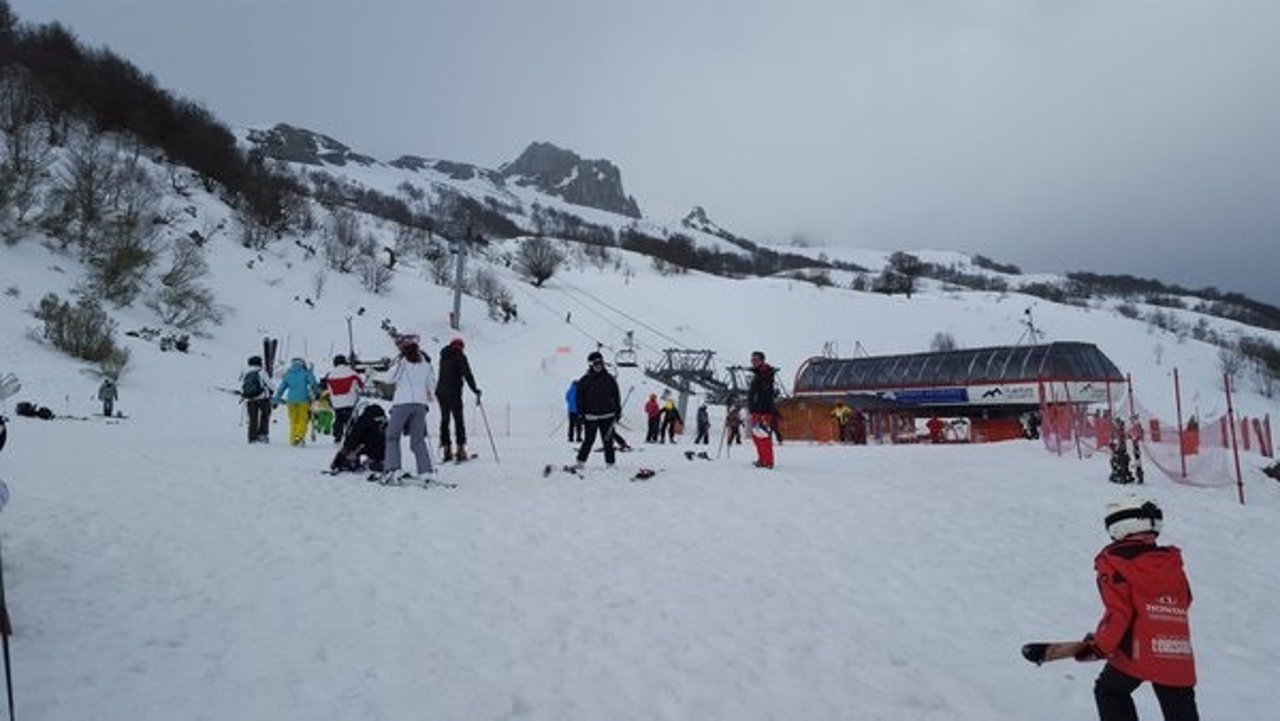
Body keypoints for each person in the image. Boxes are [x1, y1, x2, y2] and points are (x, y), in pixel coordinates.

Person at [1079, 496, 1199, 721]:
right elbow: (1186, 600)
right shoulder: (1170, 562)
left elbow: (1120, 613)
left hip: (1136, 652)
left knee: (1110, 692)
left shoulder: (1114, 561)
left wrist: (1100, 646)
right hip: (1177, 652)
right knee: (1180, 710)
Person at [380, 337, 436, 483]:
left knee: (392, 436)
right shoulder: (426, 365)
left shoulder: (402, 362)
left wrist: (373, 374)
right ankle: (426, 471)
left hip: (402, 403)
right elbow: (431, 386)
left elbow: (390, 378)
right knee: (418, 439)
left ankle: (393, 469)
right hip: (420, 405)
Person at [572, 351, 621, 469]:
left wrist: (618, 411)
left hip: (607, 415)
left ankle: (610, 463)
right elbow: (579, 399)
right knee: (589, 440)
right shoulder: (584, 381)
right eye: (595, 363)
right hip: (591, 416)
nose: (598, 365)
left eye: (600, 363)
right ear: (590, 365)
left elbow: (616, 395)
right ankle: (580, 462)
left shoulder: (609, 379)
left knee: (608, 440)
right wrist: (580, 414)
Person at [435, 337, 481, 462]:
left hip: (440, 393)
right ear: (461, 346)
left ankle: (446, 450)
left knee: (445, 421)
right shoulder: (460, 356)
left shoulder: (443, 356)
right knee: (458, 421)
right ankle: (460, 450)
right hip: (454, 393)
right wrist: (475, 390)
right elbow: (467, 374)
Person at [273, 358, 319, 446]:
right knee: (303, 419)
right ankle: (299, 436)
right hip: (303, 400)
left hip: (290, 401)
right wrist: (317, 394)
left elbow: (281, 389)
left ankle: (293, 439)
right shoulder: (305, 373)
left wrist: (275, 401)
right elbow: (313, 383)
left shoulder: (288, 374)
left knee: (293, 420)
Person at [329, 403, 387, 473]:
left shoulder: (363, 420)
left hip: (369, 446)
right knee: (375, 447)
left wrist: (338, 459)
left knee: (356, 447)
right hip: (386, 449)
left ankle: (353, 462)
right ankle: (376, 462)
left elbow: (352, 438)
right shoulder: (384, 420)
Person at [322, 354, 365, 444]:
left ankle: (337, 435)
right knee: (350, 419)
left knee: (339, 419)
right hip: (350, 400)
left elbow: (325, 387)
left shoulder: (330, 374)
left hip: (336, 402)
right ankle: (352, 436)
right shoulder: (352, 373)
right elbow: (360, 385)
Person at [747, 350, 778, 468]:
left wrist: (759, 407)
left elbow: (764, 393)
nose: (753, 362)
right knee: (756, 436)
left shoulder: (765, 373)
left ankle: (768, 461)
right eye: (752, 360)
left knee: (763, 436)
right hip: (756, 410)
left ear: (761, 361)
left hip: (763, 410)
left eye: (755, 360)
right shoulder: (759, 373)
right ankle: (762, 459)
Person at [239, 355, 274, 444]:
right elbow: (269, 384)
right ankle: (262, 434)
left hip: (249, 398)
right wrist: (272, 391)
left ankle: (252, 437)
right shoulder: (261, 372)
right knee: (265, 415)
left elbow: (242, 385)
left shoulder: (245, 372)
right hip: (262, 397)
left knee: (252, 418)